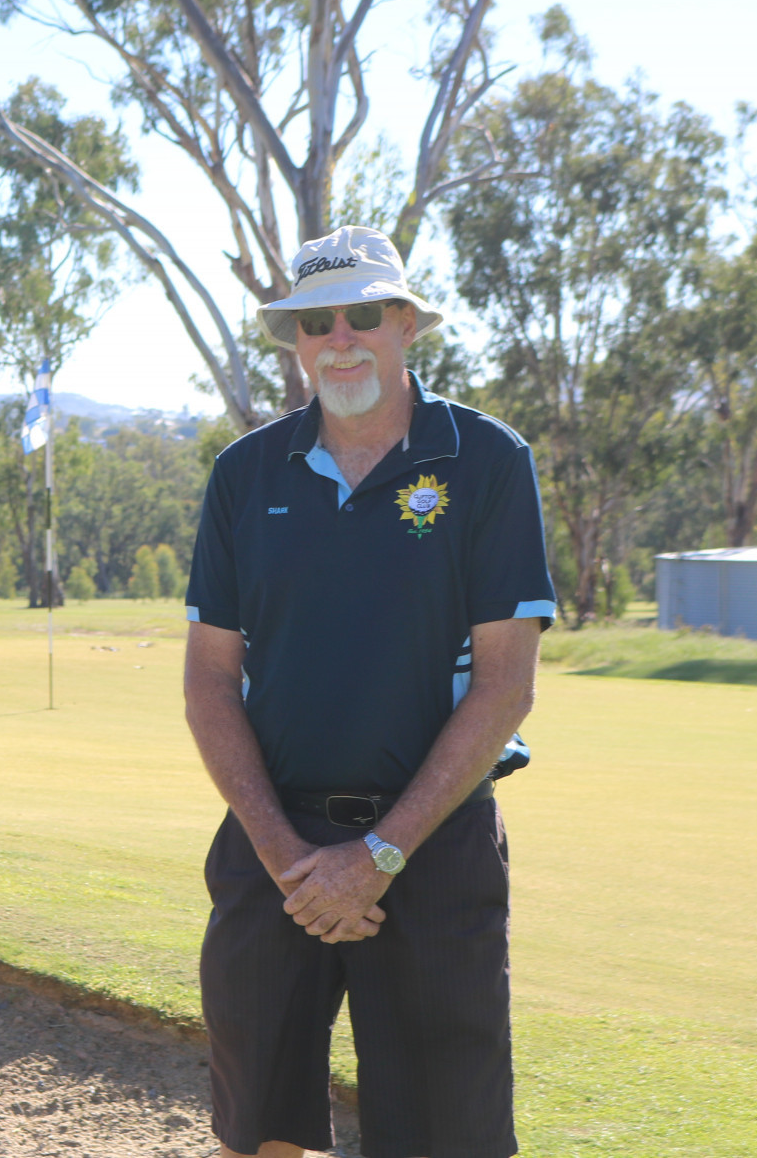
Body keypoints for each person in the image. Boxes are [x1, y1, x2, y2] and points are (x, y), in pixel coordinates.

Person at [182, 228, 555, 1158]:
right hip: (276, 848)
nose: (339, 337)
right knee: (255, 1129)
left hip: (436, 851)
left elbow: (506, 688)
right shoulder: (244, 473)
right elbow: (208, 681)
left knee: (447, 1139)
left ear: (405, 323)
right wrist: (287, 857)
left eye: (362, 315)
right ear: (296, 339)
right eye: (316, 320)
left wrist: (379, 854)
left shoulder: (488, 461)